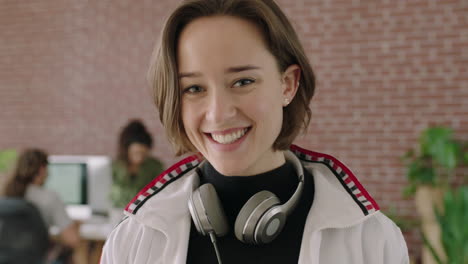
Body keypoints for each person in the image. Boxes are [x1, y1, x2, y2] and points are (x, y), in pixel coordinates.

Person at [102, 0, 409, 263]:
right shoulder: (132, 241)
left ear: (287, 84)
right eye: (194, 88)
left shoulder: (372, 240)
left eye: (243, 81)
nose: (218, 113)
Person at [3, 149, 80, 253]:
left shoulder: (5, 194)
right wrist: (49, 238)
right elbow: (72, 240)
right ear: (42, 170)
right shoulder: (49, 197)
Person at [110, 119, 164, 208]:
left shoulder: (155, 167)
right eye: (136, 153)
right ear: (126, 150)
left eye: (143, 154)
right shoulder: (115, 167)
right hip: (117, 214)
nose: (139, 158)